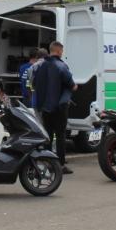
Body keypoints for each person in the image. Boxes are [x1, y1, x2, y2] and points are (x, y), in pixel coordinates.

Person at [32, 41, 77, 174]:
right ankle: (61, 165)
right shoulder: (61, 66)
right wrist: (74, 87)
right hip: (59, 107)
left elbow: (34, 84)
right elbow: (71, 84)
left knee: (48, 136)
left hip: (45, 108)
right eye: (61, 51)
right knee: (60, 136)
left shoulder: (39, 66)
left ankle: (47, 162)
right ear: (58, 51)